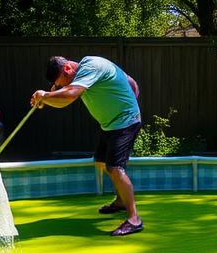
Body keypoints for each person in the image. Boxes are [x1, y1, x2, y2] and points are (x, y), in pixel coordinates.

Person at [31, 56, 144, 236]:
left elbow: (68, 96)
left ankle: (134, 219)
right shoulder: (88, 69)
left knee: (115, 168)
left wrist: (45, 96)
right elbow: (130, 81)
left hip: (125, 122)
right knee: (101, 161)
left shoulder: (92, 66)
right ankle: (121, 201)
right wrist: (46, 99)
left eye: (62, 82)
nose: (63, 86)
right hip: (110, 124)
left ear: (67, 68)